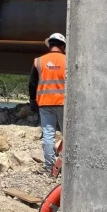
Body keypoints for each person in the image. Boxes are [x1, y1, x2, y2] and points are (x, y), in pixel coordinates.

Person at [29, 32, 66, 173]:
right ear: (63, 46)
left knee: (48, 135)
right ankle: (65, 166)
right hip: (63, 102)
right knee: (67, 135)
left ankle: (50, 167)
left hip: (44, 102)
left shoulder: (39, 61)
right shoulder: (68, 60)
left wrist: (32, 100)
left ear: (50, 45)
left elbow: (32, 83)